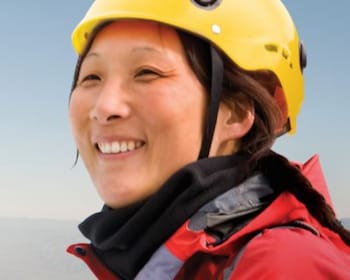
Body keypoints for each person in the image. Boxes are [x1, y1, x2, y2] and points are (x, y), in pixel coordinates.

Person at [64, 0, 350, 279]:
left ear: (236, 113)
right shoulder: (162, 256)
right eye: (91, 77)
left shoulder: (284, 266)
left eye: (147, 72)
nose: (104, 108)